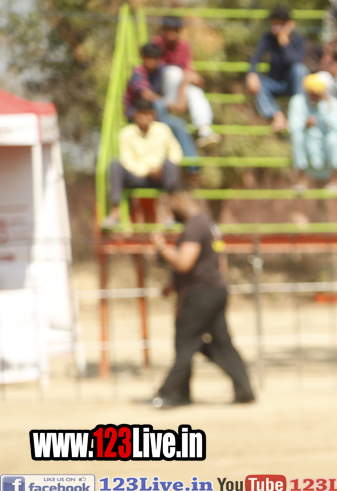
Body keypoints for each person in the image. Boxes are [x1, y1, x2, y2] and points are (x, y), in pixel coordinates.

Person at [149, 192, 254, 407]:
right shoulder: (208, 224)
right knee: (222, 343)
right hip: (215, 290)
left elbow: (184, 263)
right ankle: (244, 390)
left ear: (180, 205)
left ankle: (171, 393)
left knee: (186, 342)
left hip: (200, 294)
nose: (170, 215)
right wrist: (173, 283)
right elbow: (219, 260)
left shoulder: (194, 227)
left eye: (170, 209)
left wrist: (162, 247)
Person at [102, 98, 183, 230]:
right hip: (137, 176)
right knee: (115, 164)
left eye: (148, 114)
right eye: (142, 114)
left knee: (171, 165)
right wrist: (147, 171)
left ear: (154, 115)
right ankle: (115, 211)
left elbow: (175, 151)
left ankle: (170, 213)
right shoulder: (126, 133)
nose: (145, 118)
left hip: (160, 177)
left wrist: (160, 169)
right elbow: (127, 160)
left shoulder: (163, 130)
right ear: (136, 115)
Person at [123, 43, 201, 169]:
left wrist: (186, 83)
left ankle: (192, 168)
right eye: (148, 57)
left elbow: (187, 75)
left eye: (154, 58)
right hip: (137, 114)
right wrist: (171, 105)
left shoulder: (160, 70)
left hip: (155, 114)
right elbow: (147, 95)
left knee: (180, 125)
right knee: (160, 108)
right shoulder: (138, 72)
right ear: (143, 57)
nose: (150, 61)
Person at [152, 16, 219, 149]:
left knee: (196, 92)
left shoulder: (183, 46)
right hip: (162, 89)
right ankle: (171, 108)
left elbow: (189, 70)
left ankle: (204, 129)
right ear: (163, 30)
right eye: (168, 30)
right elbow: (156, 70)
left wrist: (193, 78)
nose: (171, 34)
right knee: (173, 72)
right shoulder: (157, 44)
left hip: (180, 87)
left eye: (174, 30)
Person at [246, 6, 309, 133]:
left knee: (299, 69)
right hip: (275, 83)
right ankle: (277, 115)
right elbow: (255, 57)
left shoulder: (299, 39)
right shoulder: (267, 38)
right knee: (257, 80)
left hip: (294, 85)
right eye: (273, 24)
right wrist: (251, 73)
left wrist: (284, 42)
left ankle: (298, 113)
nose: (275, 28)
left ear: (289, 24)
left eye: (279, 25)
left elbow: (296, 60)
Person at [288, 74, 337, 192]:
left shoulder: (334, 103)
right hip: (307, 148)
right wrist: (305, 125)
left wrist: (327, 108)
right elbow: (293, 127)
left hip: (325, 149)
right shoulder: (297, 102)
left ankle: (336, 181)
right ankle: (301, 181)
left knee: (335, 138)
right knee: (297, 137)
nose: (314, 95)